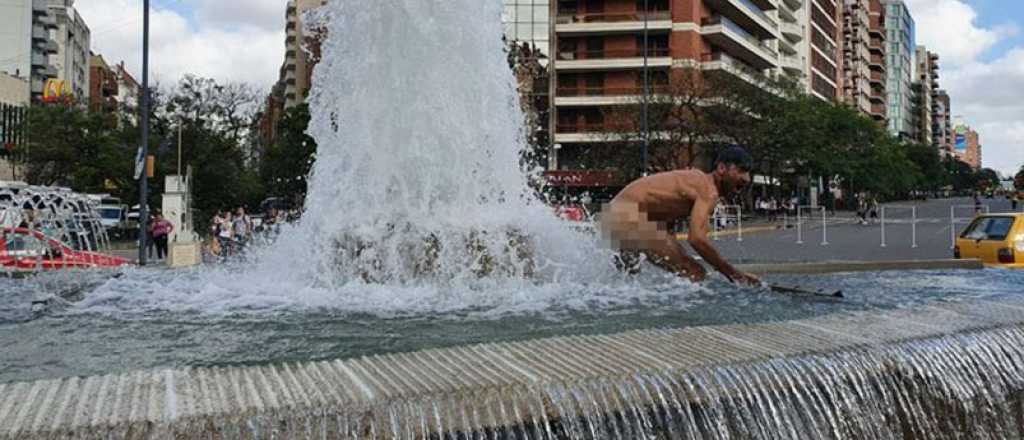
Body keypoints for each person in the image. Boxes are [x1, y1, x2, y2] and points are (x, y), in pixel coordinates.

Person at [598, 146, 761, 286]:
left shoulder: (697, 182)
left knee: (627, 279)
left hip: (615, 215)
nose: (746, 178)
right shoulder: (708, 189)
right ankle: (680, 318)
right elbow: (697, 240)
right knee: (694, 272)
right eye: (741, 170)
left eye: (748, 173)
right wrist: (734, 274)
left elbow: (662, 211)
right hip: (626, 214)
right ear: (721, 169)